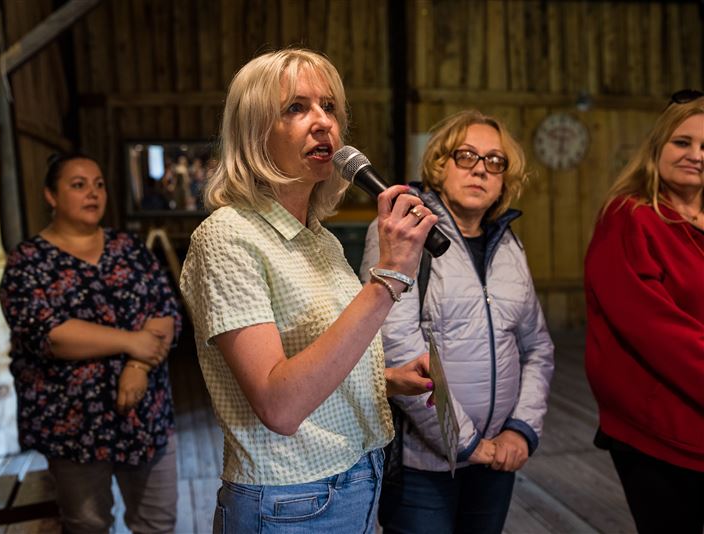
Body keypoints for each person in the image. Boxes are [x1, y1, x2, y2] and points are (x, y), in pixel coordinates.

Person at [179, 48, 437, 533]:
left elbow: (313, 360)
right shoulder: (227, 237)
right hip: (291, 503)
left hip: (357, 480)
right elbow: (279, 405)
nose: (323, 123)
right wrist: (388, 278)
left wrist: (386, 379)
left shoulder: (319, 238)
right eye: (296, 108)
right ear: (254, 132)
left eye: (329, 107)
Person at [361, 110, 555, 534]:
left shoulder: (508, 242)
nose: (480, 169)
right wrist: (465, 442)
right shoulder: (402, 228)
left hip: (498, 456)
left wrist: (520, 431)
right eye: (466, 156)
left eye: (495, 161)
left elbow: (537, 346)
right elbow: (395, 345)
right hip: (422, 465)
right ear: (439, 164)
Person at [0, 153, 182, 534]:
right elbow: (50, 335)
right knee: (87, 526)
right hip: (73, 425)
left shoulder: (128, 248)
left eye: (98, 184)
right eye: (78, 185)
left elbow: (165, 310)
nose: (93, 193)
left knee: (158, 524)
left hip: (145, 416)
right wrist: (132, 342)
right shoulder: (27, 262)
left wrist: (138, 365)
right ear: (51, 195)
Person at [584, 89, 704, 534]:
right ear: (657, 146)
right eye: (683, 142)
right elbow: (656, 331)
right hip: (662, 429)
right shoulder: (631, 217)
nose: (696, 155)